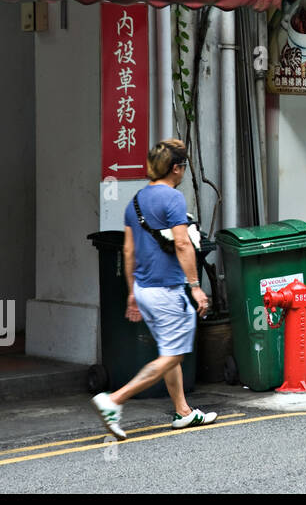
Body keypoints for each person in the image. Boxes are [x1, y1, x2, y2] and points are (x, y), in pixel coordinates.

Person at [90, 139, 217, 440]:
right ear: (176, 169)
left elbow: (128, 251)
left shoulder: (135, 201)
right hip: (167, 291)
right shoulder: (172, 199)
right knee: (173, 355)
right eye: (183, 166)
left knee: (169, 349)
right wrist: (196, 287)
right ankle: (114, 400)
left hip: (146, 291)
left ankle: (183, 411)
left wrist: (132, 293)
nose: (184, 170)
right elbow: (183, 243)